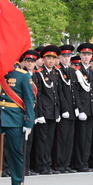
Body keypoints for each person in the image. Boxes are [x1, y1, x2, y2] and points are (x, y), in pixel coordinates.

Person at [34, 45, 61, 175]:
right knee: (42, 140)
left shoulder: (55, 74)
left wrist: (58, 111)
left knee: (50, 140)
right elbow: (37, 95)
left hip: (53, 112)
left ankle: (48, 164)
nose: (51, 61)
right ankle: (41, 165)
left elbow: (57, 94)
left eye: (53, 58)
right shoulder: (39, 74)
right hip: (43, 112)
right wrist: (39, 114)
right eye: (48, 58)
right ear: (43, 59)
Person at [73, 43, 93, 172]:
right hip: (83, 110)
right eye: (84, 54)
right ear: (80, 56)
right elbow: (76, 92)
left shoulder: (90, 71)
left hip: (90, 110)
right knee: (81, 138)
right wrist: (80, 109)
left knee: (88, 138)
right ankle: (79, 164)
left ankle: (85, 162)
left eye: (89, 55)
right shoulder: (77, 72)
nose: (86, 57)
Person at [54, 45, 78, 173]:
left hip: (72, 110)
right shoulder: (57, 71)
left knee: (69, 138)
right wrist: (64, 109)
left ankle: (66, 163)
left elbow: (75, 91)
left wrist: (77, 108)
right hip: (64, 111)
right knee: (61, 139)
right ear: (59, 57)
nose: (67, 59)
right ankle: (59, 164)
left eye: (69, 57)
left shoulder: (72, 71)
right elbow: (59, 93)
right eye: (64, 56)